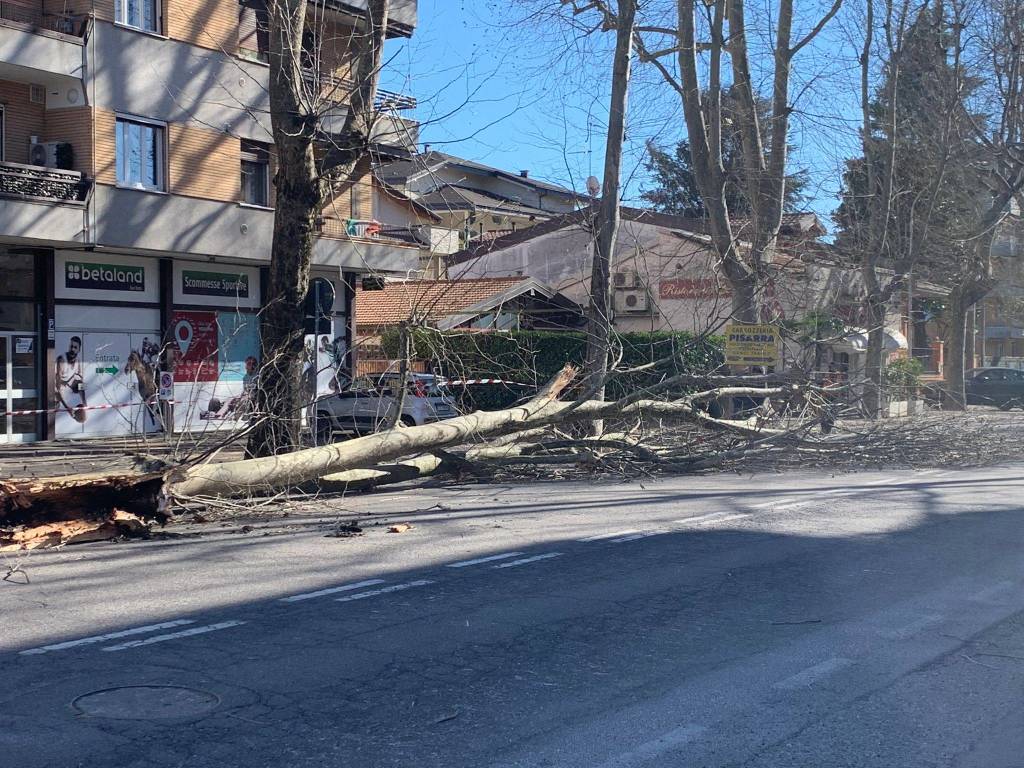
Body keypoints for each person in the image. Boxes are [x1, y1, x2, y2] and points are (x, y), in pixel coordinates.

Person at [55, 335, 87, 423]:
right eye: (71, 346)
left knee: (83, 419)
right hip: (59, 394)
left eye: (75, 347)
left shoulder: (78, 361)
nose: (72, 349)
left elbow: (81, 383)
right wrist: (67, 408)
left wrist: (85, 404)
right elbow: (57, 388)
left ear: (79, 349)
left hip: (70, 394)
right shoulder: (62, 360)